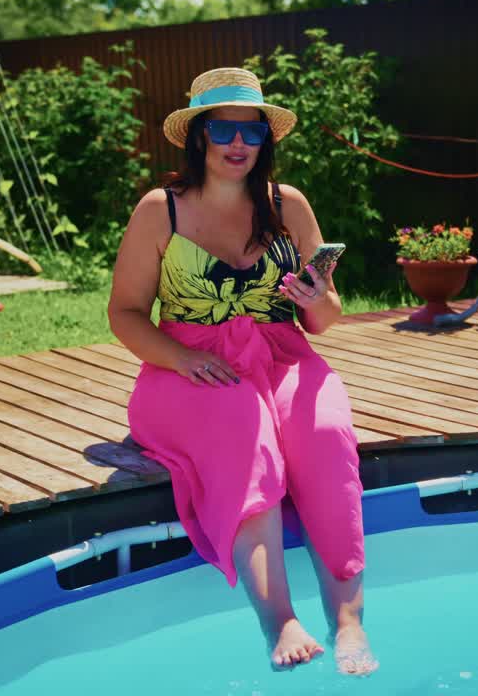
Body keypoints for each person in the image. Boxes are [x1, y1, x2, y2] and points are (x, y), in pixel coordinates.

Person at [107, 67, 377, 675]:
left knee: (327, 433)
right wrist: (182, 357)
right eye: (223, 129)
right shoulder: (161, 210)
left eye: (250, 133)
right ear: (199, 135)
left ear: (265, 141)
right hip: (189, 371)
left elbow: (326, 321)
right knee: (243, 428)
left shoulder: (289, 206)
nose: (237, 143)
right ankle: (277, 618)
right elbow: (124, 313)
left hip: (282, 356)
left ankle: (349, 619)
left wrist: (315, 299)